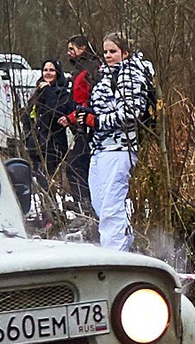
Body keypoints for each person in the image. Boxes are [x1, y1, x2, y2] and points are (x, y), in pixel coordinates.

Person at [88, 32, 155, 254]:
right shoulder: (108, 75)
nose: (108, 55)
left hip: (119, 148)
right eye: (105, 51)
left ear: (125, 53)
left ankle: (115, 255)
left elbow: (130, 113)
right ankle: (118, 245)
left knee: (111, 207)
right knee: (100, 205)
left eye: (113, 51)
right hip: (100, 147)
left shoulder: (130, 75)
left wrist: (98, 121)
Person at [61, 36, 99, 217]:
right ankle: (84, 206)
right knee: (78, 166)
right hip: (80, 125)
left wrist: (73, 117)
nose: (69, 52)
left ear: (82, 48)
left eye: (72, 48)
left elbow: (87, 100)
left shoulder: (90, 70)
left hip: (88, 126)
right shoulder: (79, 70)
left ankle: (86, 207)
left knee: (75, 166)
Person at [29, 59, 74, 184]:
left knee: (49, 181)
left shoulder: (63, 94)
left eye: (52, 70)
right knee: (39, 181)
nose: (48, 73)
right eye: (45, 70)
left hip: (54, 146)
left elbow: (58, 113)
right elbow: (28, 116)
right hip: (36, 145)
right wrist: (29, 138)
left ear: (58, 73)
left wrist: (48, 91)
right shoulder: (38, 93)